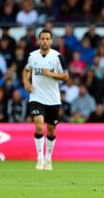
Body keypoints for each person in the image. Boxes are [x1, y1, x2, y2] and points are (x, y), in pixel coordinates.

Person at [23, 29, 69, 170]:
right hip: (36, 96)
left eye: (47, 38)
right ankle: (40, 158)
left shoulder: (57, 57)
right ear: (39, 40)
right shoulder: (32, 56)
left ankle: (49, 158)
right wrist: (26, 82)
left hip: (53, 99)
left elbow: (66, 77)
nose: (44, 41)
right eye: (42, 38)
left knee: (51, 130)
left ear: (51, 41)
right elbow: (26, 70)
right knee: (38, 124)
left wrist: (50, 74)